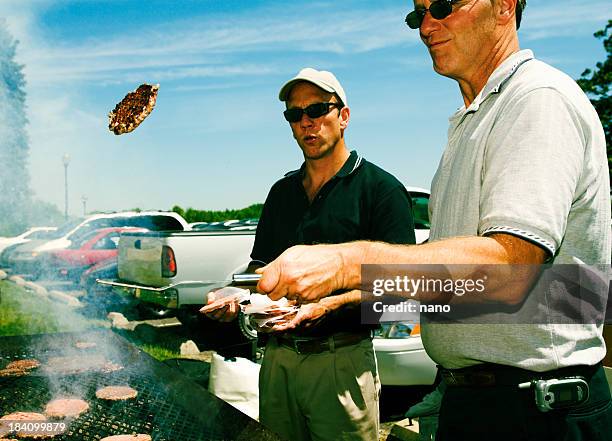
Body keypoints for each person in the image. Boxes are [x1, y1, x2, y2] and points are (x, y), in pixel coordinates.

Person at [255, 1, 612, 440]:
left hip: (535, 411)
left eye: (442, 6)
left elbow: (511, 268)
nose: (426, 26)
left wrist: (349, 264)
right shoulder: (471, 124)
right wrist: (337, 303)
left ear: (503, 6)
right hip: (478, 400)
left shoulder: (537, 101)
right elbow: (458, 288)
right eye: (417, 14)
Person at [206, 67, 416, 441]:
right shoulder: (281, 193)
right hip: (278, 360)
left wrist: (331, 307)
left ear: (344, 117)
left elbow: (400, 295)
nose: (307, 122)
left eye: (318, 110)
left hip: (341, 362)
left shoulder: (380, 190)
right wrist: (237, 296)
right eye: (295, 114)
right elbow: (261, 268)